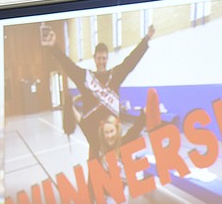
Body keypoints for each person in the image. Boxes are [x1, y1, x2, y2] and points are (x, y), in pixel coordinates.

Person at [45, 24, 155, 161]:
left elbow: (130, 62)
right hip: (94, 137)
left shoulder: (114, 76)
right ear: (94, 58)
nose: (102, 62)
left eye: (104, 58)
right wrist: (54, 47)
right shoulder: (85, 78)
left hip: (113, 137)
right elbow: (69, 66)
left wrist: (146, 39)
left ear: (107, 58)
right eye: (99, 58)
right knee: (95, 176)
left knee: (118, 171)